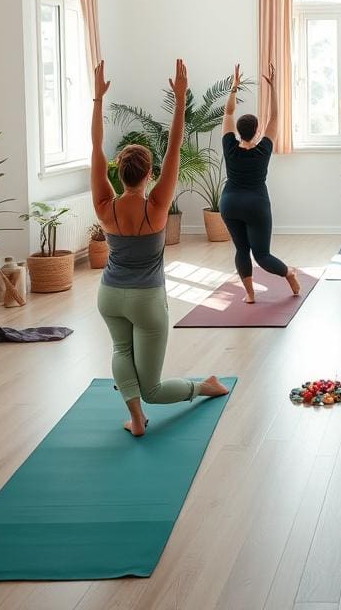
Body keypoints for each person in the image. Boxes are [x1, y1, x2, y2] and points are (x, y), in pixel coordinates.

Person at [91, 59, 229, 437]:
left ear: (119, 173)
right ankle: (204, 387)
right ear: (149, 174)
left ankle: (135, 418)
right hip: (147, 300)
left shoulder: (105, 208)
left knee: (121, 351)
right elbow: (175, 148)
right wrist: (180, 97)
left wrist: (98, 100)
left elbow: (95, 147)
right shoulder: (156, 209)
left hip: (109, 295)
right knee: (151, 386)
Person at [220, 62, 300, 303]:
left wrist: (234, 87)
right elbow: (275, 117)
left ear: (239, 132)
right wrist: (273, 88)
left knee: (242, 250)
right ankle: (289, 275)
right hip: (256, 204)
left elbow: (228, 113)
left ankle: (250, 294)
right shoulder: (263, 149)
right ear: (256, 131)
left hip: (230, 203)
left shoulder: (229, 146)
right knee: (262, 254)